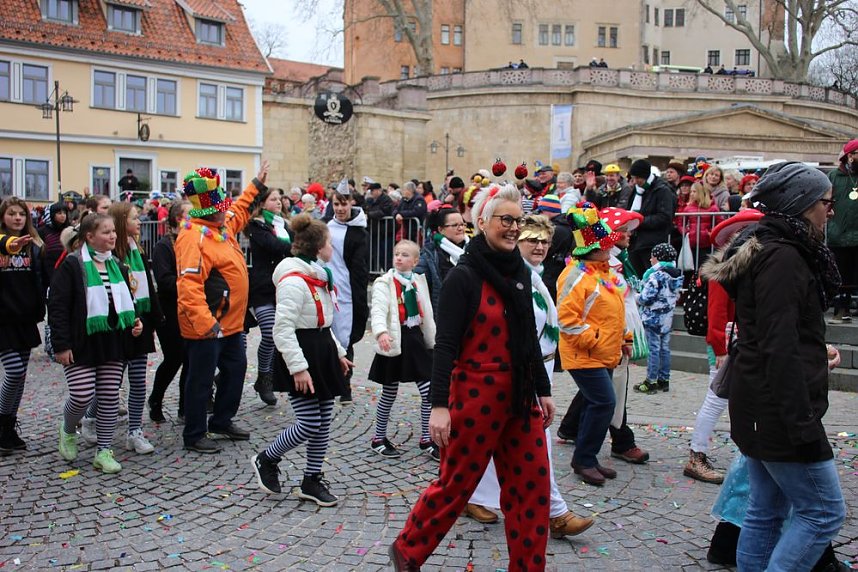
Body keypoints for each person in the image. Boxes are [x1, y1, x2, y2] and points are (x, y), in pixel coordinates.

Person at [389, 185, 555, 572]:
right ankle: (408, 550)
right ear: (482, 222)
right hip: (475, 394)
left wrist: (542, 391)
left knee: (533, 490)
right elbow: (444, 346)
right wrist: (439, 407)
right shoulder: (463, 277)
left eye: (519, 221)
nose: (514, 229)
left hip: (519, 394)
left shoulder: (520, 273)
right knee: (456, 485)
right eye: (506, 220)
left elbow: (529, 334)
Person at [708, 162, 846, 570]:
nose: (830, 211)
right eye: (825, 202)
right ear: (802, 205)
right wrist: (800, 421)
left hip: (761, 404)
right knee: (823, 513)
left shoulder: (772, 249)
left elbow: (777, 333)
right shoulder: (783, 256)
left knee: (765, 510)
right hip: (777, 409)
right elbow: (777, 345)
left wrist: (814, 352)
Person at [465, 214, 595, 539]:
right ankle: (556, 513)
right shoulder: (510, 279)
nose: (539, 246)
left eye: (543, 241)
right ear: (515, 241)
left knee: (500, 442)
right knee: (537, 445)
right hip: (518, 375)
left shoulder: (536, 276)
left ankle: (471, 494)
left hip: (541, 369)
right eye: (531, 239)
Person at [251, 214, 353, 506]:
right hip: (301, 353)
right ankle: (266, 458)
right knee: (309, 422)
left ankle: (311, 479)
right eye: (330, 244)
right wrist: (298, 368)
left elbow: (323, 322)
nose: (332, 248)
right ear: (320, 247)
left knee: (323, 422)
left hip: (320, 349)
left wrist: (339, 354)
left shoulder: (317, 275)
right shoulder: (295, 281)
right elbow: (281, 328)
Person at [176, 164, 268, 453]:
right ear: (206, 211)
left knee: (235, 371)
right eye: (219, 208)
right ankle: (194, 434)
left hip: (230, 324)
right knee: (201, 381)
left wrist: (255, 183)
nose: (224, 210)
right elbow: (188, 287)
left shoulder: (221, 224)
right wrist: (206, 324)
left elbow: (240, 209)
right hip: (207, 327)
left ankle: (221, 421)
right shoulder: (194, 237)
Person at [556, 207, 651, 465]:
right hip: (586, 354)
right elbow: (567, 320)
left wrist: (625, 339)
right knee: (604, 402)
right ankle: (586, 459)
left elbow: (616, 312)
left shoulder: (604, 273)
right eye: (606, 244)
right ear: (592, 249)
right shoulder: (575, 275)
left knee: (596, 403)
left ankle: (587, 458)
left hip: (606, 353)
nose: (611, 248)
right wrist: (597, 341)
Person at [51, 213, 143, 474]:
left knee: (108, 397)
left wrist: (136, 322)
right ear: (89, 237)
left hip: (112, 341)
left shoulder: (118, 265)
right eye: (106, 232)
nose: (113, 236)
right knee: (81, 394)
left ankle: (104, 450)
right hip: (80, 341)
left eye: (113, 231)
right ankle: (68, 429)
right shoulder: (72, 265)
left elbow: (127, 303)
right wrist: (61, 345)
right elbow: (57, 307)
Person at [684, 209, 764, 484]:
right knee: (715, 400)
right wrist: (719, 348)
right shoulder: (726, 266)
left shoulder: (744, 266)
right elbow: (717, 312)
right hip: (726, 343)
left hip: (736, 341)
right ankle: (697, 455)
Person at [81, 202, 160, 454]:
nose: (139, 222)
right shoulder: (110, 256)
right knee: (109, 383)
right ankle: (91, 418)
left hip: (139, 321)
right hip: (116, 326)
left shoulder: (139, 250)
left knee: (138, 380)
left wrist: (153, 320)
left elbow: (147, 284)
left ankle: (134, 431)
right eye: (134, 218)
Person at [367, 240, 436, 459]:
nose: (398, 258)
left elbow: (427, 310)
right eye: (397, 254)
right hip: (395, 339)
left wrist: (433, 337)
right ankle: (378, 438)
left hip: (415, 339)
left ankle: (427, 439)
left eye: (405, 255)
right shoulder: (384, 283)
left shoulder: (417, 281)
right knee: (389, 392)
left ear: (415, 261)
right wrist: (381, 332)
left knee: (428, 391)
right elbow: (378, 310)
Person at [0, 198, 46, 452]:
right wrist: (8, 244)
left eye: (21, 214)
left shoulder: (33, 247)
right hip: (3, 320)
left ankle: (8, 426)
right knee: (14, 371)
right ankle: (1, 420)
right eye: (11, 213)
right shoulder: (2, 243)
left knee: (21, 377)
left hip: (25, 318)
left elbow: (38, 280)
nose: (17, 218)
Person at [245, 187, 293, 406]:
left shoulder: (284, 226)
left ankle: (263, 377)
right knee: (270, 332)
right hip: (262, 287)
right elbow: (274, 246)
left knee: (278, 333)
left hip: (281, 286)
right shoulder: (256, 226)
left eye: (279, 200)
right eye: (273, 200)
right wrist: (294, 246)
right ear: (263, 204)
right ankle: (265, 376)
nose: (278, 203)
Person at [148, 200, 192, 423]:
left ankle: (185, 408)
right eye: (189, 214)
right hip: (169, 310)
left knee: (190, 359)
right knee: (174, 358)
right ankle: (156, 399)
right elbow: (164, 281)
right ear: (178, 219)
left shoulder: (193, 242)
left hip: (190, 309)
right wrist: (190, 282)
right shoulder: (163, 246)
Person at [327, 185, 369, 404]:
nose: (340, 208)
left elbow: (359, 267)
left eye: (343, 203)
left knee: (344, 338)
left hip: (347, 292)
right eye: (336, 204)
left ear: (351, 203)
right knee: (326, 335)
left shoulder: (359, 232)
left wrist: (358, 295)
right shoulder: (326, 227)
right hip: (326, 288)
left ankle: (345, 385)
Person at [633, 243, 683, 394]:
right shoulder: (676, 274)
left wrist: (635, 297)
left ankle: (651, 380)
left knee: (653, 349)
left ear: (659, 258)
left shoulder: (656, 275)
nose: (650, 260)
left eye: (653, 257)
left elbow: (646, 298)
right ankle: (664, 379)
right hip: (667, 318)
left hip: (653, 318)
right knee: (665, 349)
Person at [627, 158, 677, 275]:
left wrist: (640, 221)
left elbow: (664, 217)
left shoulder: (662, 190)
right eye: (633, 178)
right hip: (635, 242)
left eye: (637, 178)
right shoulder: (637, 190)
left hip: (652, 243)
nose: (634, 181)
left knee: (650, 276)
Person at [828, 139, 858, 323]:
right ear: (850, 156)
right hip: (838, 236)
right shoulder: (833, 176)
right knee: (841, 275)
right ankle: (841, 309)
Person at [415, 206, 468, 312]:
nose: (460, 228)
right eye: (455, 225)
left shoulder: (472, 250)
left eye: (462, 224)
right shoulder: (429, 256)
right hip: (443, 317)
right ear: (440, 229)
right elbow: (420, 293)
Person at [535, 194, 572, 302]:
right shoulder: (565, 226)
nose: (540, 214)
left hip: (550, 276)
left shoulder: (556, 230)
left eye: (541, 211)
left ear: (548, 211)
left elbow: (544, 252)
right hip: (556, 275)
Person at [38, 201, 70, 291]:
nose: (63, 216)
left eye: (64, 213)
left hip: (66, 268)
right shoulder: (43, 231)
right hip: (49, 271)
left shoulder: (70, 230)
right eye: (59, 213)